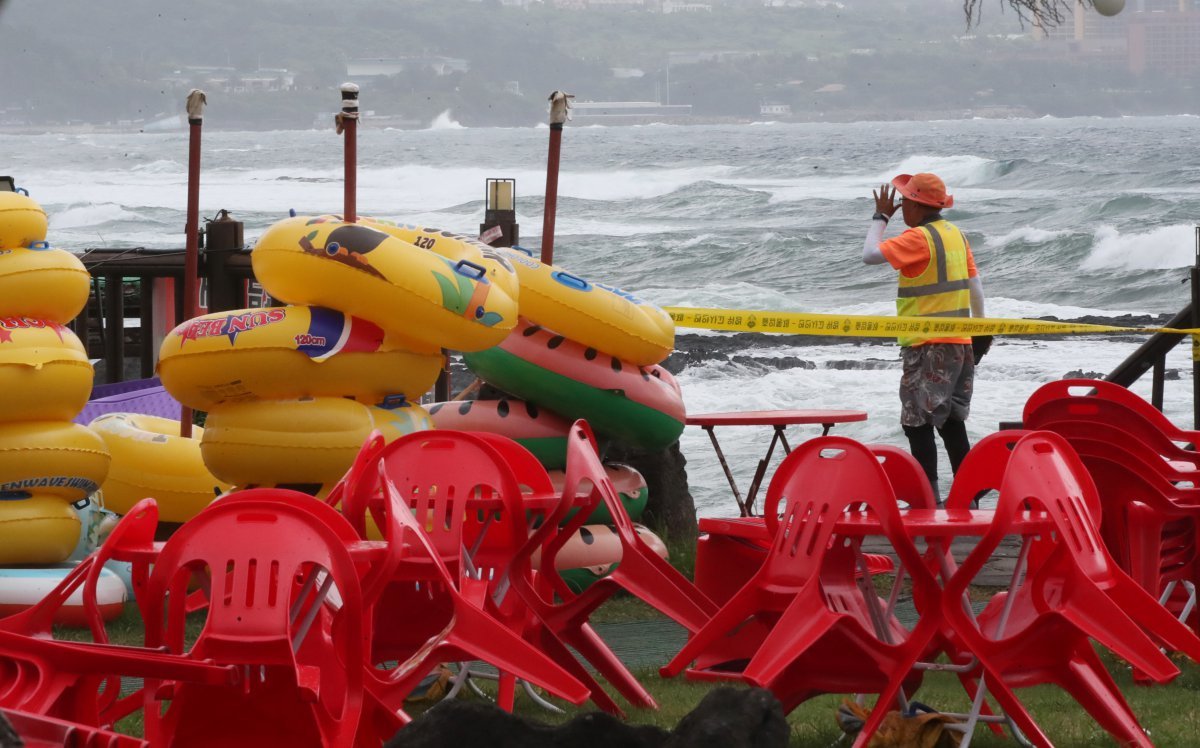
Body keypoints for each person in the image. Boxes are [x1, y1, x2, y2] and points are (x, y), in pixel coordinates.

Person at [862, 172, 992, 497]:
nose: (901, 207)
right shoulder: (956, 235)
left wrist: (880, 217)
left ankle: (928, 499)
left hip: (927, 345)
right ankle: (968, 496)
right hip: (961, 342)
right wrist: (981, 330)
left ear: (916, 205)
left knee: (915, 421)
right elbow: (976, 287)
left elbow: (870, 255)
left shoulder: (919, 238)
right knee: (950, 421)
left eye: (904, 201)